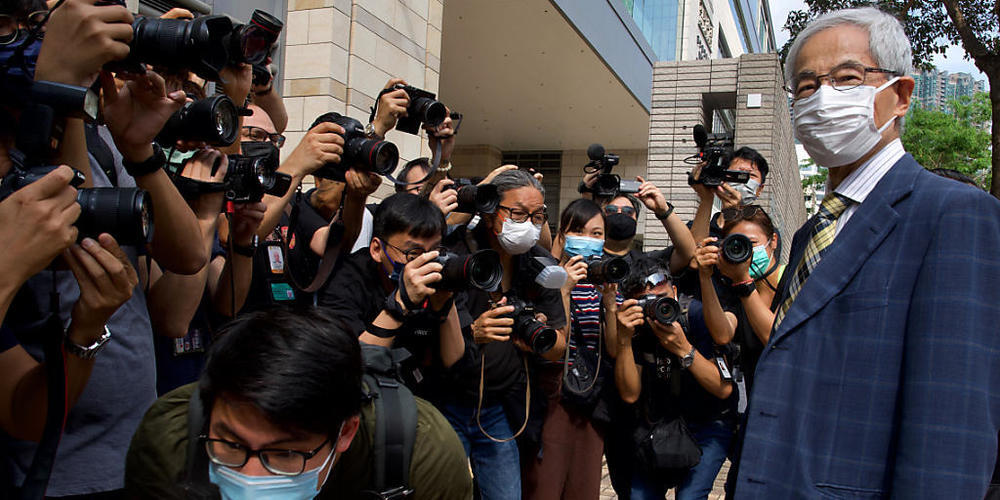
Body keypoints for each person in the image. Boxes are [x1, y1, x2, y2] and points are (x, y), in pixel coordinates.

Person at [735, 7, 1000, 498]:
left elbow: (951, 427)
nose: (822, 98)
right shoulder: (810, 232)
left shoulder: (955, 215)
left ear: (899, 95)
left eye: (847, 77)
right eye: (806, 86)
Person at [124, 307, 473, 499]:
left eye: (286, 455)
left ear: (346, 432)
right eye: (230, 445)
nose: (251, 477)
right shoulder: (170, 439)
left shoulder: (423, 457)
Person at [441, 168, 567, 499]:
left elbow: (560, 343)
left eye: (537, 215)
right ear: (489, 212)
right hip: (446, 400)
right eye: (518, 214)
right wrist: (473, 332)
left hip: (498, 407)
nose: (528, 224)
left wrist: (538, 342)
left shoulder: (540, 264)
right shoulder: (456, 254)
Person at [609, 257, 737, 500]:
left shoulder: (698, 315)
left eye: (663, 298)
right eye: (647, 302)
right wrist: (624, 339)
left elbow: (724, 389)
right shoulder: (637, 326)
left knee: (690, 496)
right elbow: (629, 393)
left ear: (675, 291)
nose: (658, 308)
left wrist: (684, 348)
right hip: (660, 423)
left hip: (708, 423)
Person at [318, 193, 466, 402]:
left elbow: (453, 359)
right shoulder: (349, 278)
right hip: (363, 397)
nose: (425, 262)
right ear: (377, 249)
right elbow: (348, 363)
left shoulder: (438, 274)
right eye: (413, 253)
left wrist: (445, 302)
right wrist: (401, 303)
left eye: (434, 251)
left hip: (424, 395)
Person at [520, 198, 617, 499]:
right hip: (552, 397)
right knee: (544, 485)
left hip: (591, 399)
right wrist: (564, 289)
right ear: (563, 235)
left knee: (583, 488)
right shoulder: (545, 278)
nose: (588, 240)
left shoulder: (606, 284)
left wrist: (611, 305)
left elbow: (613, 348)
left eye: (597, 234)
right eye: (580, 231)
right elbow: (554, 343)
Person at [599, 179, 695, 276]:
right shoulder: (587, 259)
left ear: (636, 220)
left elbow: (687, 252)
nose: (619, 214)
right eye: (611, 210)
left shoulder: (648, 264)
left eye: (628, 211)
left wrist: (663, 210)